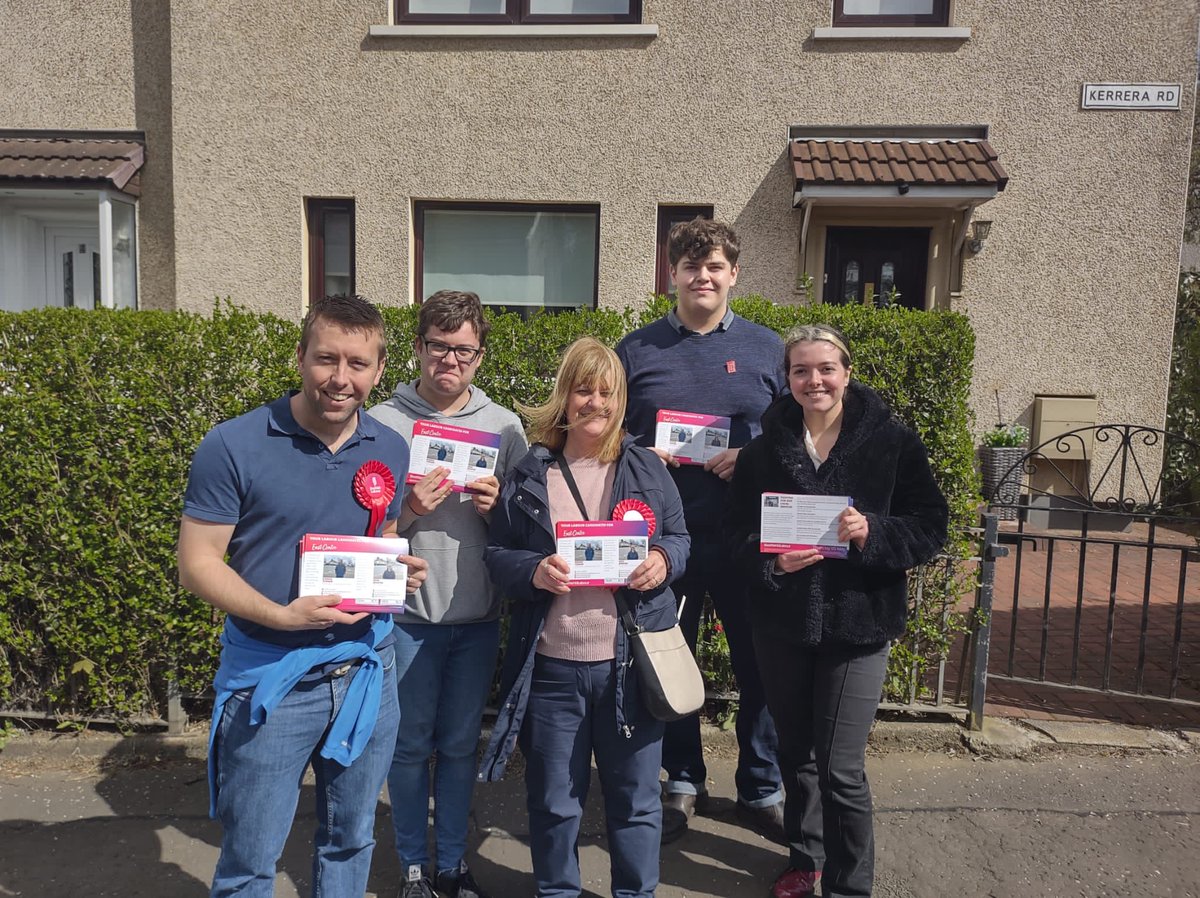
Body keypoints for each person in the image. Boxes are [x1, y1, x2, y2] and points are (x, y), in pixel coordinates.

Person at [176, 293, 428, 898]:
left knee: (351, 841)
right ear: (300, 357)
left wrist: (395, 571)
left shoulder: (391, 448)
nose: (340, 378)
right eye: (326, 359)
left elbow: (381, 534)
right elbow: (197, 563)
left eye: (358, 364)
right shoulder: (234, 444)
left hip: (368, 671)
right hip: (273, 678)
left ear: (379, 370)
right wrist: (282, 616)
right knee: (250, 861)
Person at [728, 325, 948, 898]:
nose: (814, 379)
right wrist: (771, 564)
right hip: (781, 624)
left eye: (825, 368)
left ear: (846, 372)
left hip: (858, 622)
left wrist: (872, 532)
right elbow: (734, 536)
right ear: (788, 379)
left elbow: (930, 525)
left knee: (840, 768)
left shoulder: (892, 441)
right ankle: (807, 859)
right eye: (801, 370)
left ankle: (851, 886)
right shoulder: (762, 449)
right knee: (795, 755)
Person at [480, 337, 690, 898]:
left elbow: (680, 538)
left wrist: (663, 560)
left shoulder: (645, 467)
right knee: (553, 802)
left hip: (630, 663)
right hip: (552, 667)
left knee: (637, 800)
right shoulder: (531, 472)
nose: (593, 402)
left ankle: (635, 894)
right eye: (582, 389)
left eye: (606, 391)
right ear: (564, 396)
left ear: (620, 399)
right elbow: (496, 554)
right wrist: (533, 571)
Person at [615, 216, 786, 843]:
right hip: (671, 540)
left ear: (732, 275)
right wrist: (641, 452)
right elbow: (610, 429)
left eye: (715, 266)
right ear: (673, 276)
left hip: (748, 537)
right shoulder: (637, 351)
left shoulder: (770, 350)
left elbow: (797, 435)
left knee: (758, 664)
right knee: (670, 661)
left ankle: (760, 786)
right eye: (691, 266)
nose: (703, 276)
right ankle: (682, 780)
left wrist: (753, 455)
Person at [368, 289, 528, 898]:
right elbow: (358, 530)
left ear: (480, 356)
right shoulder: (382, 422)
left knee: (460, 746)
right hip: (406, 619)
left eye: (463, 349)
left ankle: (454, 865)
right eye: (439, 346)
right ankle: (413, 867)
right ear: (418, 349)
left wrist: (500, 513)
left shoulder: (503, 426)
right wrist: (407, 508)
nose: (450, 360)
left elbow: (524, 535)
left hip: (478, 616)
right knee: (410, 748)